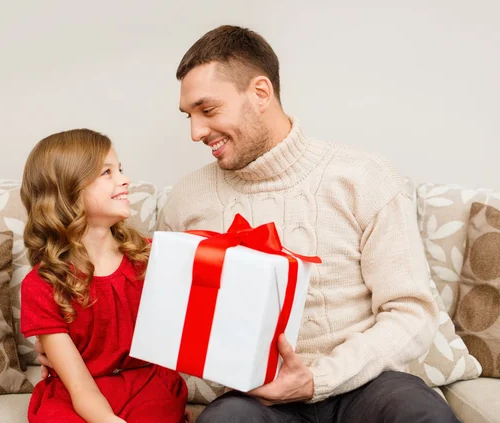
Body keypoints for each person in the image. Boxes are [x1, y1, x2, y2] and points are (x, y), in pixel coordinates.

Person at [157, 25, 460, 422]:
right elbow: (173, 329)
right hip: (253, 398)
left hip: (364, 386)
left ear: (261, 93)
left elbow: (411, 314)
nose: (196, 132)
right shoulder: (186, 201)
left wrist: (319, 379)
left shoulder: (364, 177)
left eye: (208, 110)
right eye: (189, 116)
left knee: (419, 413)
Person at [20, 129, 188, 423]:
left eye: (120, 169)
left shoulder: (152, 257)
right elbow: (78, 385)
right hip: (78, 392)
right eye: (106, 173)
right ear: (67, 190)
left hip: (146, 386)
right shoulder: (41, 284)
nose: (125, 180)